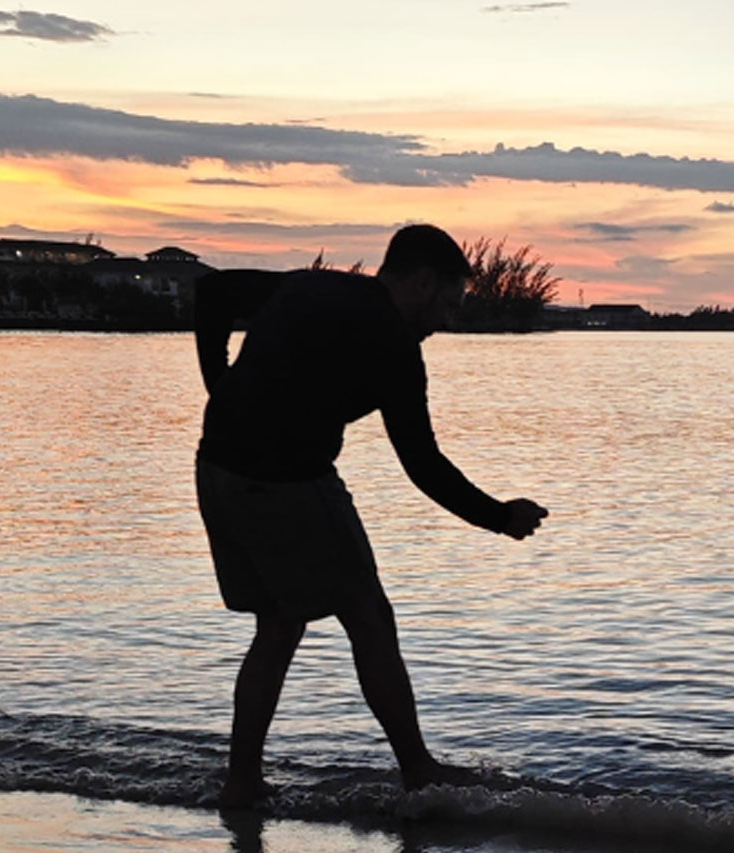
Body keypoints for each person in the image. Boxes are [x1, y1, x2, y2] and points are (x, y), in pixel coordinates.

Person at [192, 224, 548, 809]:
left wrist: (219, 388)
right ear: (423, 282)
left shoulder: (310, 286)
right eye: (449, 305)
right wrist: (498, 516)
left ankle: (242, 780)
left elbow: (212, 295)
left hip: (219, 469)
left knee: (279, 626)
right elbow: (423, 464)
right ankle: (418, 771)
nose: (448, 321)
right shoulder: (394, 345)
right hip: (289, 482)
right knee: (367, 614)